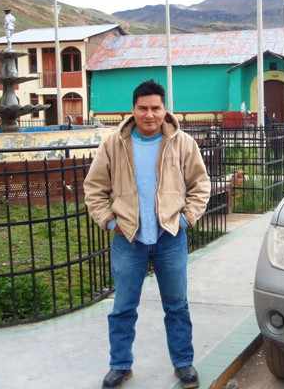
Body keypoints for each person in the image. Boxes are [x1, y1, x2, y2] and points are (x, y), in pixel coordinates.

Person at [84, 80, 211, 389]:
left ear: (165, 109)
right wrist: (109, 222)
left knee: (177, 305)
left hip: (170, 237)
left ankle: (183, 363)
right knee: (123, 307)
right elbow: (94, 188)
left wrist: (186, 219)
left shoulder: (182, 143)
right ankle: (120, 365)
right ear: (133, 109)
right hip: (128, 238)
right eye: (143, 108)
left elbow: (200, 184)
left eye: (155, 108)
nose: (149, 115)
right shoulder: (114, 144)